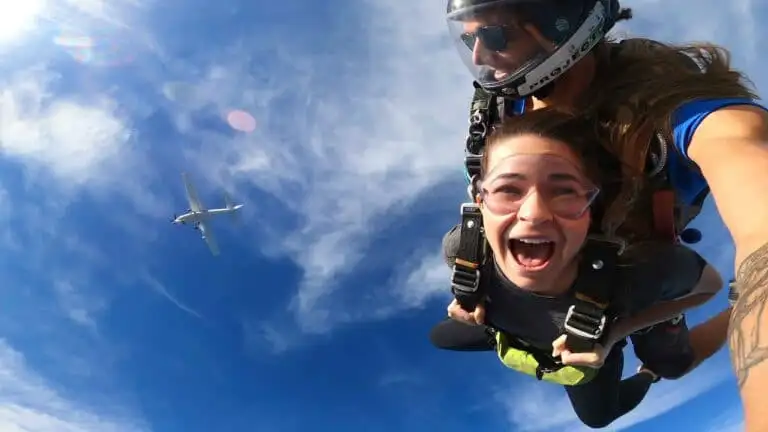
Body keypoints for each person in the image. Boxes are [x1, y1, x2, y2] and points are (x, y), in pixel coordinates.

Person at [443, 2, 768, 428]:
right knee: (598, 412)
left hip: (635, 269)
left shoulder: (683, 115)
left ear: (558, 22)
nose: (480, 57)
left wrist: (618, 329)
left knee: (671, 363)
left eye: (497, 36)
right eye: (469, 39)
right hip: (562, 266)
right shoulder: (502, 105)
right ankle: (517, 323)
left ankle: (686, 344)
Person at [430, 109, 728, 428]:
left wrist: (613, 334)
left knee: (600, 416)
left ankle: (651, 372)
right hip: (511, 324)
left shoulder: (634, 275)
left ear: (590, 211)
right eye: (508, 190)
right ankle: (515, 327)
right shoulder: (465, 249)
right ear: (480, 203)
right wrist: (470, 297)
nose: (534, 214)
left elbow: (710, 285)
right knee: (440, 336)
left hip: (591, 332)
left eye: (564, 191)